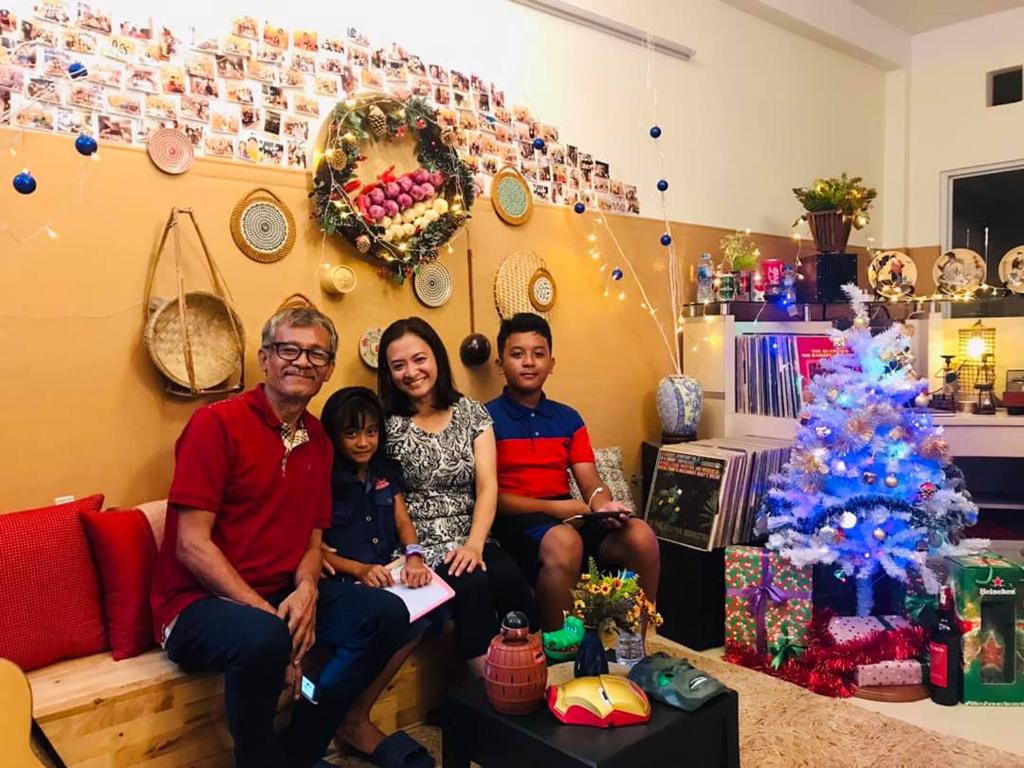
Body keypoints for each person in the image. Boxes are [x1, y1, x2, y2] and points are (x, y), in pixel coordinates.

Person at [150, 304, 410, 768]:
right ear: (265, 358)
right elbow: (191, 545)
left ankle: (299, 750)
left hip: (279, 595)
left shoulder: (320, 440)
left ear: (328, 369)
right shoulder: (216, 425)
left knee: (388, 614)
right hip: (195, 604)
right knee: (265, 637)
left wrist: (308, 589)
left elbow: (313, 538)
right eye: (289, 349)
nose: (302, 361)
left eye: (316, 354)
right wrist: (268, 613)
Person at [379, 317, 535, 676]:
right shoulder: (385, 423)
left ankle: (531, 674)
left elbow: (487, 485)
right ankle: (491, 687)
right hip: (418, 544)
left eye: (419, 359)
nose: (411, 372)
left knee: (509, 576)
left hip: (471, 534)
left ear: (437, 357)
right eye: (398, 365)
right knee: (471, 584)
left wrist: (475, 545)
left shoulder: (471, 413)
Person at [485, 313, 661, 631]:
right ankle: (561, 650)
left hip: (569, 516)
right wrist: (560, 509)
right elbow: (491, 498)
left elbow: (590, 481)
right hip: (515, 522)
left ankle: (635, 641)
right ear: (500, 364)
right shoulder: (485, 419)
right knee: (565, 541)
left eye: (538, 354)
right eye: (517, 354)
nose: (529, 362)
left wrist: (603, 507)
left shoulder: (568, 418)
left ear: (551, 363)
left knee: (641, 536)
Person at [319, 386, 436, 768]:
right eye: (352, 433)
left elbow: (403, 522)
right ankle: (351, 720)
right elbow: (313, 550)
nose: (363, 442)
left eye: (371, 432)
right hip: (344, 582)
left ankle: (357, 716)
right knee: (393, 619)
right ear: (335, 435)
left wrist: (414, 557)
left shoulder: (384, 472)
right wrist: (359, 570)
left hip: (387, 573)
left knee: (430, 614)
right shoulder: (322, 479)